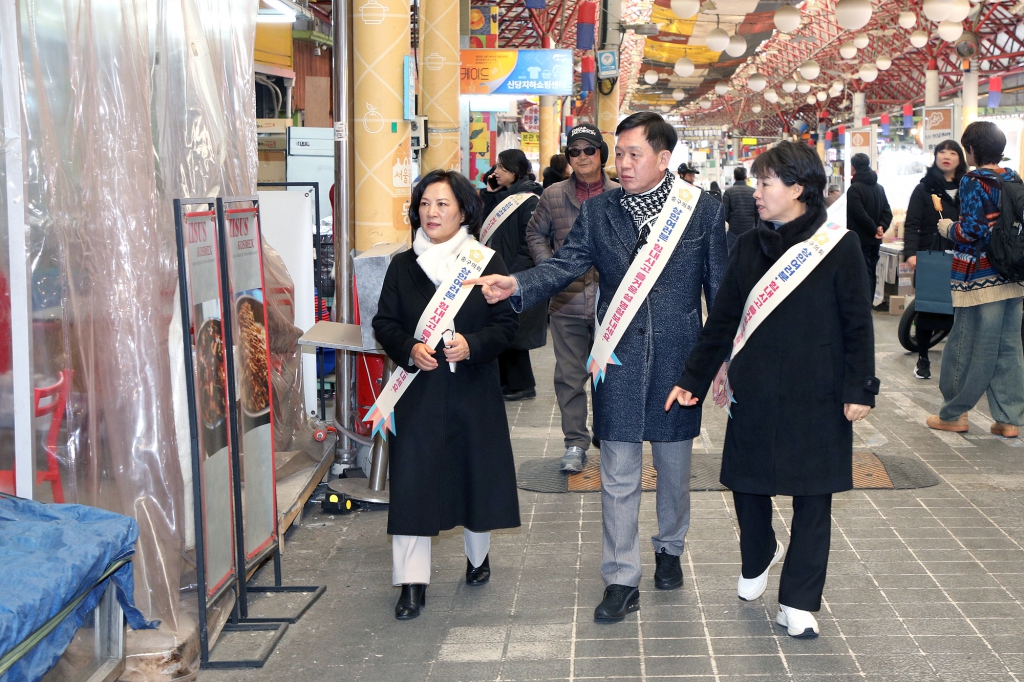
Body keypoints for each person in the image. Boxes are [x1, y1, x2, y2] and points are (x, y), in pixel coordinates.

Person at [469, 112, 728, 623]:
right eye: (622, 152)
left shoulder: (701, 212)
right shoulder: (602, 211)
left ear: (662, 158)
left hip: (680, 359)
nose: (624, 163)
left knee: (674, 469)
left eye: (634, 154)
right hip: (618, 356)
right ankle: (620, 578)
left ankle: (670, 546)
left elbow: (718, 291)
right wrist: (517, 284)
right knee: (618, 471)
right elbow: (567, 264)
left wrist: (720, 361)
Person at [668, 141, 877, 639]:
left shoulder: (839, 245)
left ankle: (799, 600)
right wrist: (691, 378)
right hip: (755, 386)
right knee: (747, 480)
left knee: (814, 494)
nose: (756, 193)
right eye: (758, 183)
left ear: (798, 189)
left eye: (765, 184)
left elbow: (858, 324)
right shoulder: (747, 246)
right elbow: (720, 321)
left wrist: (861, 388)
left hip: (819, 390)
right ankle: (759, 550)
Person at [372, 169, 521, 620]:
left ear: (463, 210)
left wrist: (473, 345)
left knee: (475, 476)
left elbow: (507, 325)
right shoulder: (403, 264)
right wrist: (409, 349)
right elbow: (385, 323)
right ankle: (411, 584)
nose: (432, 213)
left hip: (472, 391)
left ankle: (478, 557)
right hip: (417, 393)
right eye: (424, 204)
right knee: (414, 482)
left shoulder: (485, 262)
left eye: (442, 204)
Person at [525, 123, 617, 473]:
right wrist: (552, 271)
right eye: (574, 151)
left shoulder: (621, 195)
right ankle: (575, 443)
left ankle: (609, 437)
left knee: (610, 376)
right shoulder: (552, 195)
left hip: (612, 306)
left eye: (588, 150)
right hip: (566, 302)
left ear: (601, 155)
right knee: (569, 376)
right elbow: (535, 232)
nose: (581, 157)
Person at [927, 121, 1024, 437]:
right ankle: (1009, 419)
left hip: (978, 276)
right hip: (1013, 274)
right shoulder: (1012, 178)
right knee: (1008, 346)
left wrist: (948, 228)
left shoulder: (973, 180)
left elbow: (971, 230)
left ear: (970, 151)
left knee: (966, 344)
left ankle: (954, 414)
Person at [486, 149, 546, 400]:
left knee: (513, 332)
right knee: (505, 329)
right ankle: (509, 383)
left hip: (517, 276)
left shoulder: (529, 200)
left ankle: (521, 385)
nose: (495, 172)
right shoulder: (506, 195)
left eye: (501, 167)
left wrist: (513, 275)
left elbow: (529, 243)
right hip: (503, 272)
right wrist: (490, 192)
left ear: (514, 170)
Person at [903, 140, 965, 380]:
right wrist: (910, 253)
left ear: (960, 158)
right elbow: (912, 223)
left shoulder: (968, 186)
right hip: (931, 255)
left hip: (962, 255)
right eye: (942, 152)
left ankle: (956, 362)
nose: (946, 156)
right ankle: (923, 358)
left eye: (952, 152)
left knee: (958, 309)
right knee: (928, 307)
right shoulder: (924, 188)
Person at [846, 153, 892, 302]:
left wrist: (874, 230)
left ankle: (864, 304)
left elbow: (859, 214)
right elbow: (887, 211)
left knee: (862, 274)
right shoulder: (880, 188)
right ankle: (869, 304)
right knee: (871, 272)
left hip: (860, 239)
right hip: (874, 240)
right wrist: (881, 228)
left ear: (853, 169)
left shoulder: (854, 189)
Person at [722, 166, 757, 252]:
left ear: (734, 177)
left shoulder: (728, 192)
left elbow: (724, 213)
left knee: (733, 256)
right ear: (746, 177)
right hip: (750, 230)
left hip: (733, 231)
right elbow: (758, 213)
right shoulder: (754, 191)